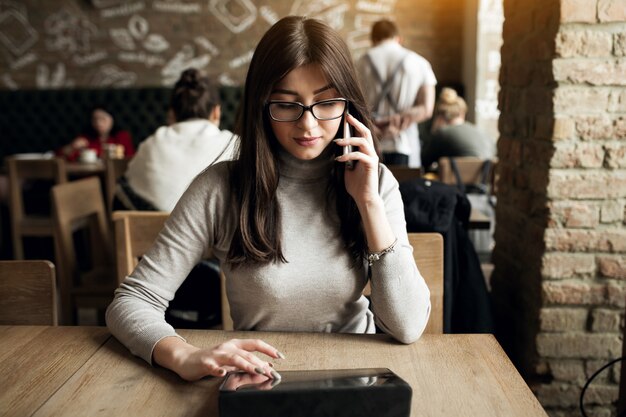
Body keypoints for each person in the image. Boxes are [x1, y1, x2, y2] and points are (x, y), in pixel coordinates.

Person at [106, 16, 431, 383]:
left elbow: (407, 327)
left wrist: (368, 202)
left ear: (348, 105)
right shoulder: (220, 188)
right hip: (260, 381)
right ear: (262, 105)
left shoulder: (377, 184)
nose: (308, 125)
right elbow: (131, 301)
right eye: (287, 104)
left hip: (356, 378)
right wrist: (183, 355)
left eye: (325, 103)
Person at [115, 68, 238, 212]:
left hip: (149, 234)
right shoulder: (234, 144)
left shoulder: (151, 144)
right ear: (217, 112)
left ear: (171, 114)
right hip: (214, 233)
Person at [356, 19, 437, 168]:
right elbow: (427, 109)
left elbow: (350, 103)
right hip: (404, 143)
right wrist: (399, 121)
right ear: (399, 39)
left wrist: (373, 125)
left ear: (373, 40)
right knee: (403, 189)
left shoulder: (359, 63)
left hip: (369, 141)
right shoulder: (419, 63)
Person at [421, 88, 496, 169]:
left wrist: (434, 131)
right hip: (486, 180)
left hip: (458, 180)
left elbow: (424, 162)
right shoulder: (483, 133)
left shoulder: (442, 133)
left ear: (440, 117)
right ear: (462, 113)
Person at [58, 105, 135, 161]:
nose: (98, 123)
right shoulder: (86, 138)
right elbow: (60, 156)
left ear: (112, 119)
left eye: (103, 119)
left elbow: (131, 158)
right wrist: (72, 146)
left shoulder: (122, 136)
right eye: (95, 119)